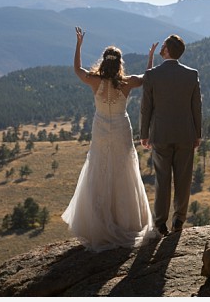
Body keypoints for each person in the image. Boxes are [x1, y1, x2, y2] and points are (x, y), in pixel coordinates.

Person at [61, 27, 159, 251]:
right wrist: (150, 56)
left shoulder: (94, 81)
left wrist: (78, 44)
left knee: (99, 168)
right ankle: (127, 221)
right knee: (124, 170)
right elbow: (148, 77)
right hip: (121, 129)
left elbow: (77, 69)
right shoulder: (128, 82)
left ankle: (100, 223)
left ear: (104, 62)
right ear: (120, 64)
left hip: (101, 130)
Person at [140, 34, 202, 236]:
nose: (161, 47)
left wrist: (144, 133)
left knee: (162, 179)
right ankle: (179, 220)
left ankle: (160, 223)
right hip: (186, 133)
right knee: (184, 180)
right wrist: (198, 133)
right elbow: (196, 107)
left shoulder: (152, 75)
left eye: (163, 45)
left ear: (166, 50)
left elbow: (146, 108)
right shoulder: (191, 75)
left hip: (160, 134)